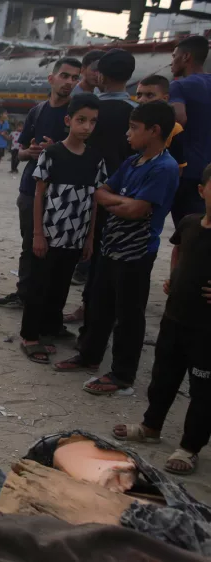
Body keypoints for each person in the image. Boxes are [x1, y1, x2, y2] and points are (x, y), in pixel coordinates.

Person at [55, 102, 180, 397]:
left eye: (134, 128)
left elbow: (137, 210)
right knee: (99, 307)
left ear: (155, 131)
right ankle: (89, 356)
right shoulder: (133, 162)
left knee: (129, 315)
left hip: (137, 253)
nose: (128, 134)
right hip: (110, 246)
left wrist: (119, 203)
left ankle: (122, 374)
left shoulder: (164, 167)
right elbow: (100, 192)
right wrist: (121, 203)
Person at [111, 163, 211, 476]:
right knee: (163, 377)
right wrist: (174, 277)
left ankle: (190, 446)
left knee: (203, 391)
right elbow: (178, 249)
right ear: (201, 190)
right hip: (174, 318)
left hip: (207, 330)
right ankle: (151, 426)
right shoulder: (190, 223)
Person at [20, 94, 104, 364]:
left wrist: (89, 238)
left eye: (92, 122)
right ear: (68, 121)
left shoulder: (95, 159)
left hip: (76, 237)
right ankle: (30, 336)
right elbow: (39, 195)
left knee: (60, 287)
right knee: (39, 286)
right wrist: (37, 234)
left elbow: (94, 201)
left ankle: (50, 329)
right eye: (81, 120)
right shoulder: (52, 154)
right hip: (49, 235)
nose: (86, 127)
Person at [0, 57, 81, 309]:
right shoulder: (37, 111)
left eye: (75, 78)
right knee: (29, 245)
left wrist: (56, 149)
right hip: (31, 191)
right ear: (51, 78)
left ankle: (44, 303)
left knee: (55, 253)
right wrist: (29, 153)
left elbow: (85, 153)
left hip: (62, 195)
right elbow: (20, 151)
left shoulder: (77, 114)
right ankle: (24, 294)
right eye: (65, 76)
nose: (70, 82)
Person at [69, 49, 139, 315]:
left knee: (86, 252)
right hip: (126, 195)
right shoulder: (137, 113)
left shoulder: (90, 112)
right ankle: (101, 309)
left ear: (100, 75)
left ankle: (87, 307)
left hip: (86, 193)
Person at [169, 35, 211, 227]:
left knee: (186, 230)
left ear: (186, 57)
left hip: (188, 171)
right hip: (208, 172)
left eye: (174, 55)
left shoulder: (179, 85)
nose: (172, 61)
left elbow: (179, 119)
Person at [136, 74, 187, 173]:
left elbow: (179, 168)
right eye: (139, 95)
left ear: (165, 98)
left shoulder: (174, 129)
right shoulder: (131, 124)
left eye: (149, 95)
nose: (142, 100)